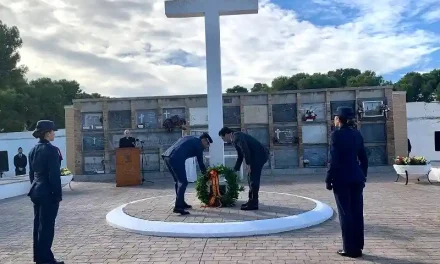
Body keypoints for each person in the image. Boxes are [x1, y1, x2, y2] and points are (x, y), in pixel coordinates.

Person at [326, 107, 368, 259]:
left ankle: (349, 249)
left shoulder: (336, 135)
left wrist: (328, 178)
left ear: (339, 119)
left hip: (342, 179)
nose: (334, 120)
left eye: (335, 117)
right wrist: (363, 176)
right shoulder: (357, 134)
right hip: (357, 178)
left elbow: (333, 159)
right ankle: (358, 247)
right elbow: (364, 158)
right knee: (357, 213)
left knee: (346, 214)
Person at [28, 120, 64, 264]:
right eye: (53, 131)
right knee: (47, 227)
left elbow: (31, 174)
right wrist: (58, 195)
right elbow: (54, 175)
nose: (54, 133)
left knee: (38, 226)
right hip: (48, 192)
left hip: (36, 191)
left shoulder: (32, 150)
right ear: (47, 133)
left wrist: (36, 188)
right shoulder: (51, 150)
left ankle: (39, 257)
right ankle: (46, 260)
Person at [219, 127, 269, 211]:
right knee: (250, 178)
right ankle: (251, 201)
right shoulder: (235, 139)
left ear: (227, 134)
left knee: (253, 178)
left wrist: (248, 164)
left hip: (260, 155)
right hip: (256, 156)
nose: (223, 140)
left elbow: (245, 149)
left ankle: (254, 203)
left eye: (223, 137)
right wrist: (235, 170)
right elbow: (240, 156)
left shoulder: (236, 136)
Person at [161, 133, 212, 215]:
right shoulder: (199, 145)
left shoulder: (189, 138)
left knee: (178, 181)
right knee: (183, 182)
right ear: (204, 140)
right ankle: (178, 207)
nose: (207, 146)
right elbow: (201, 163)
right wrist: (206, 175)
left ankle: (181, 202)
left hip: (167, 156)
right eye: (207, 144)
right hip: (176, 158)